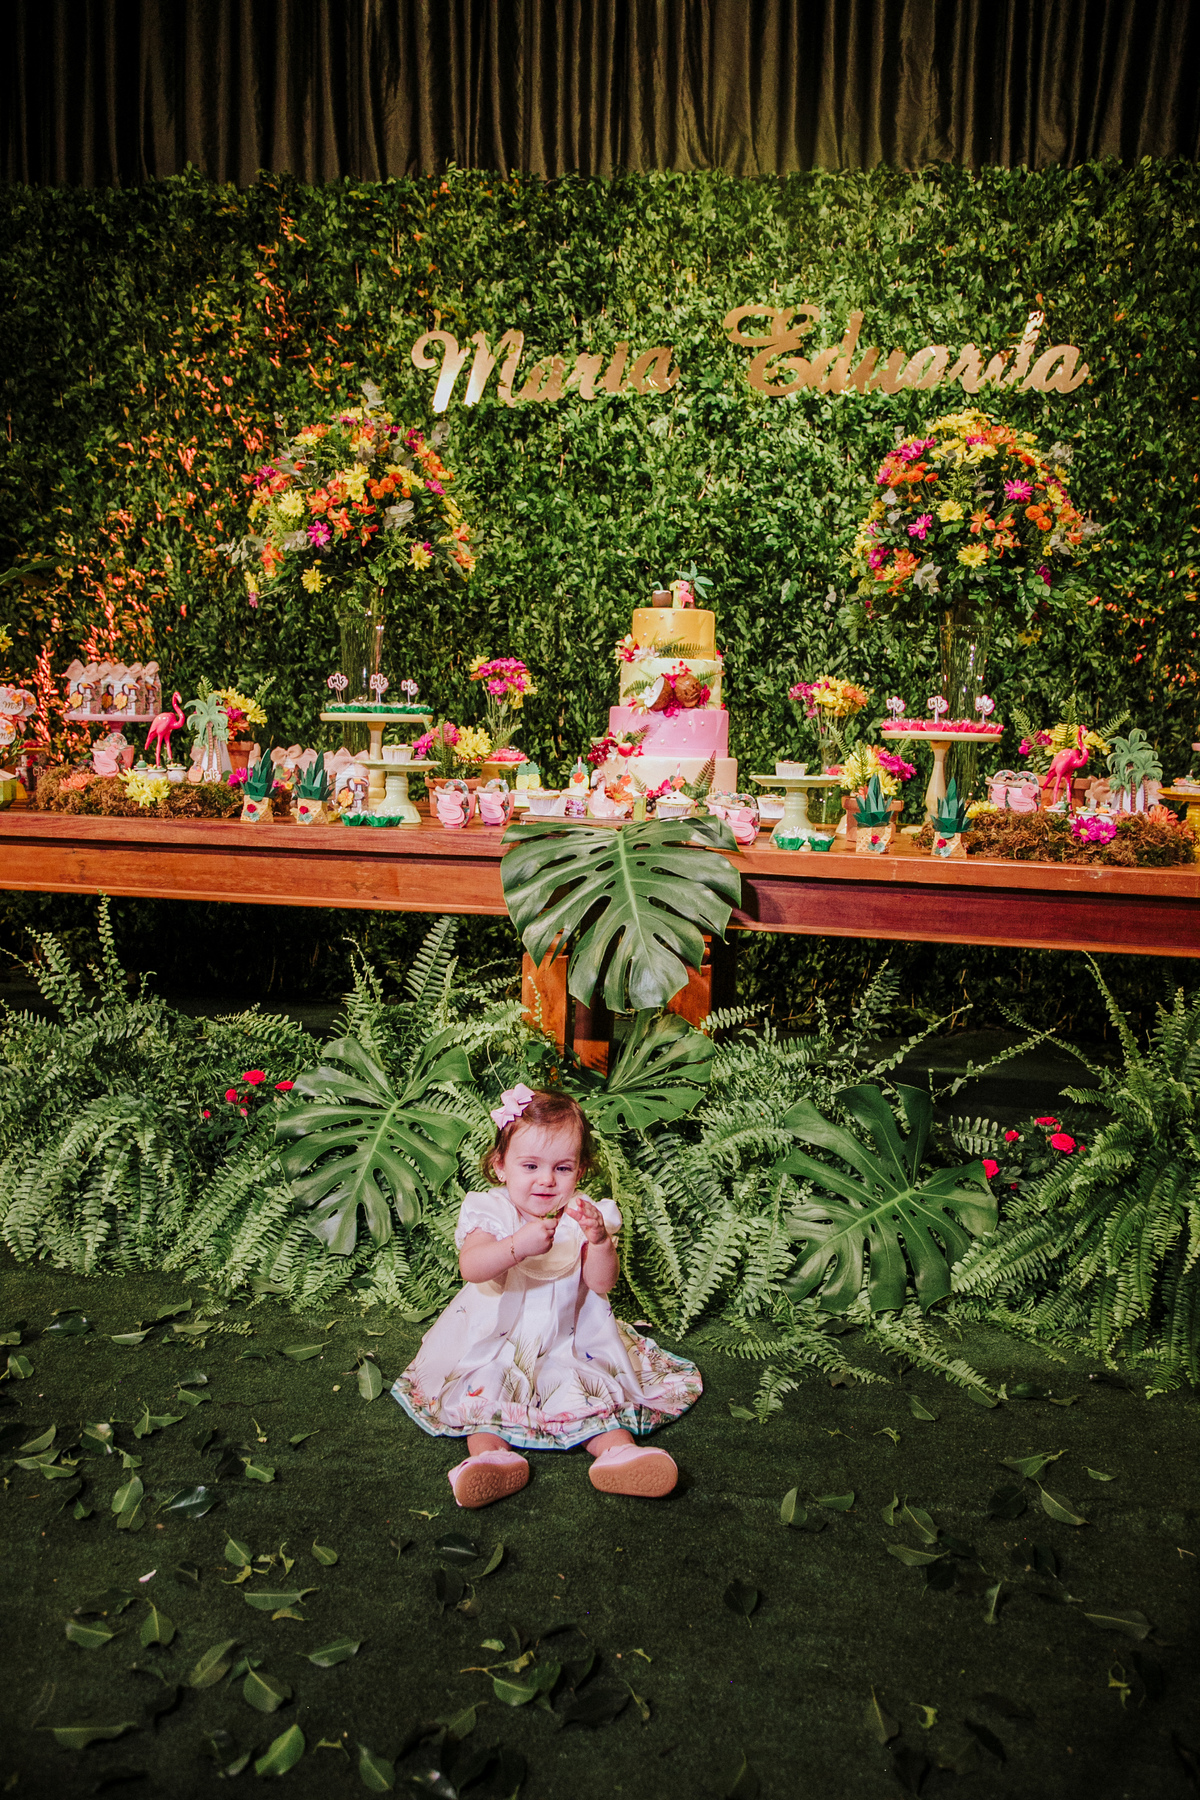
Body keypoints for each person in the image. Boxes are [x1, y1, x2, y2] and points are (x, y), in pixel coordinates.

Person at [390, 1085, 701, 1508]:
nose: (546, 1179)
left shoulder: (583, 1215)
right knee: (485, 1384)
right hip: (498, 1341)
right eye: (531, 1165)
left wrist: (599, 1241)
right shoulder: (492, 1211)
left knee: (587, 1383)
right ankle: (489, 1458)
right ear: (500, 1166)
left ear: (581, 1170)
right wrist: (516, 1246)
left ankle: (618, 1452)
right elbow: (472, 1266)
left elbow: (602, 1283)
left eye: (562, 1168)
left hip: (568, 1339)